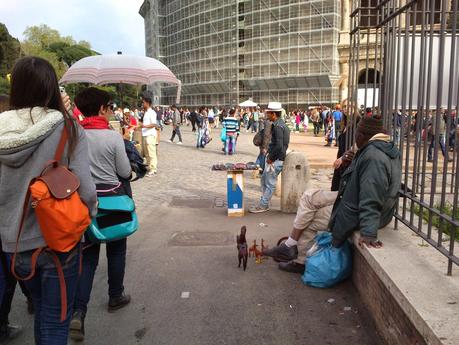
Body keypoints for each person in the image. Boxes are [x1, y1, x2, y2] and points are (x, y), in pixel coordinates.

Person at [0, 56, 98, 344]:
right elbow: (87, 191)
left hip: (13, 247)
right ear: (51, 88)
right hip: (57, 243)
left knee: (42, 309)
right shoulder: (66, 128)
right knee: (55, 322)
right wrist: (87, 219)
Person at [264, 116, 402, 273]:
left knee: (311, 219)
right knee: (309, 197)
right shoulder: (380, 148)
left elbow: (372, 196)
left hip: (359, 210)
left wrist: (369, 232)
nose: (354, 137)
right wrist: (349, 161)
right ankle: (289, 246)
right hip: (353, 197)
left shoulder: (373, 157)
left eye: (356, 133)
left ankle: (298, 259)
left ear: (362, 135)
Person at [70, 87, 132, 341]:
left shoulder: (75, 135)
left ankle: (78, 312)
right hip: (113, 204)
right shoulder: (112, 137)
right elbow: (125, 172)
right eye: (109, 107)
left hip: (84, 205)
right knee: (116, 250)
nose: (111, 112)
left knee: (87, 258)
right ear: (101, 109)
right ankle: (115, 296)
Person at [249, 102, 290, 213]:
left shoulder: (277, 126)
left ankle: (263, 205)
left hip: (276, 159)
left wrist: (271, 158)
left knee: (270, 183)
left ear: (273, 114)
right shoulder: (279, 124)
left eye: (268, 112)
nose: (266, 114)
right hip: (275, 158)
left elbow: (279, 146)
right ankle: (264, 202)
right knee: (264, 180)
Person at [140, 96, 159, 176]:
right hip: (145, 134)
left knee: (151, 152)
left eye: (143, 102)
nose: (142, 104)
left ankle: (153, 168)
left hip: (150, 135)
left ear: (147, 103)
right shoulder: (146, 112)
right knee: (147, 153)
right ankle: (149, 167)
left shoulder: (152, 112)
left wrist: (143, 126)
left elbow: (154, 124)